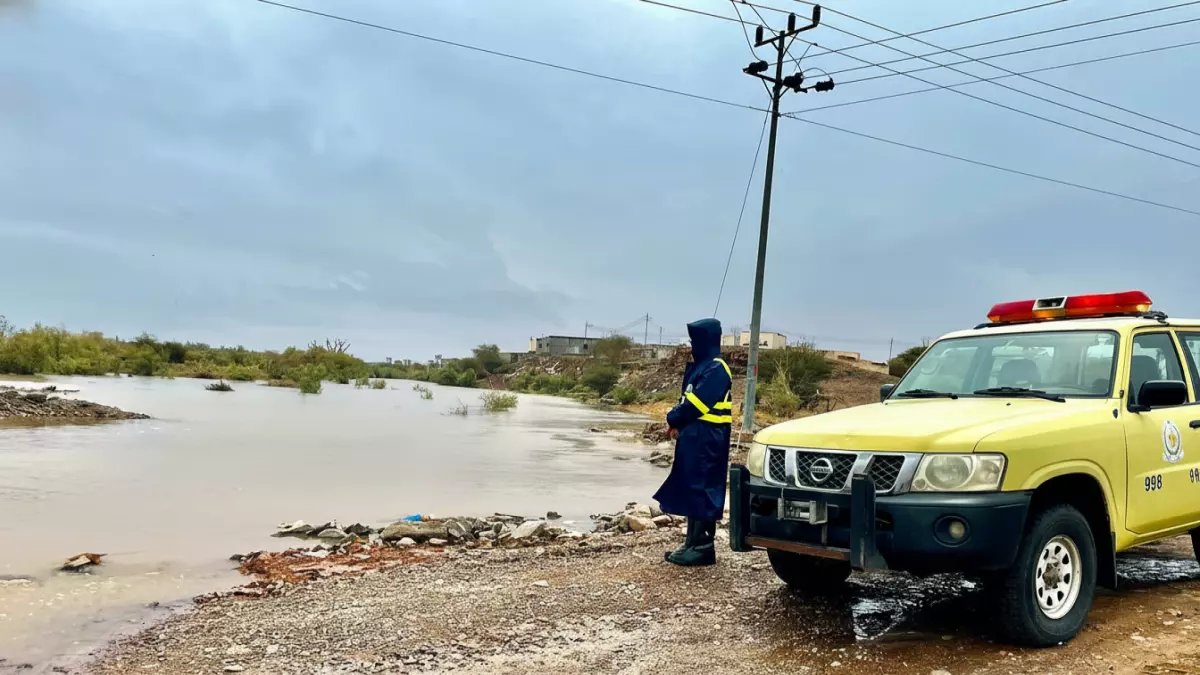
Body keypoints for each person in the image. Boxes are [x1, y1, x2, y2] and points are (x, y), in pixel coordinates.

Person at [653, 318, 733, 567]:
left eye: (693, 340)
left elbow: (697, 404)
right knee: (691, 486)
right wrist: (678, 425)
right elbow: (688, 402)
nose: (691, 345)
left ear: (704, 341)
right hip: (696, 438)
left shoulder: (717, 369)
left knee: (702, 488)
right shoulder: (703, 366)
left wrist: (673, 417)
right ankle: (691, 543)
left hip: (708, 440)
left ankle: (702, 547)